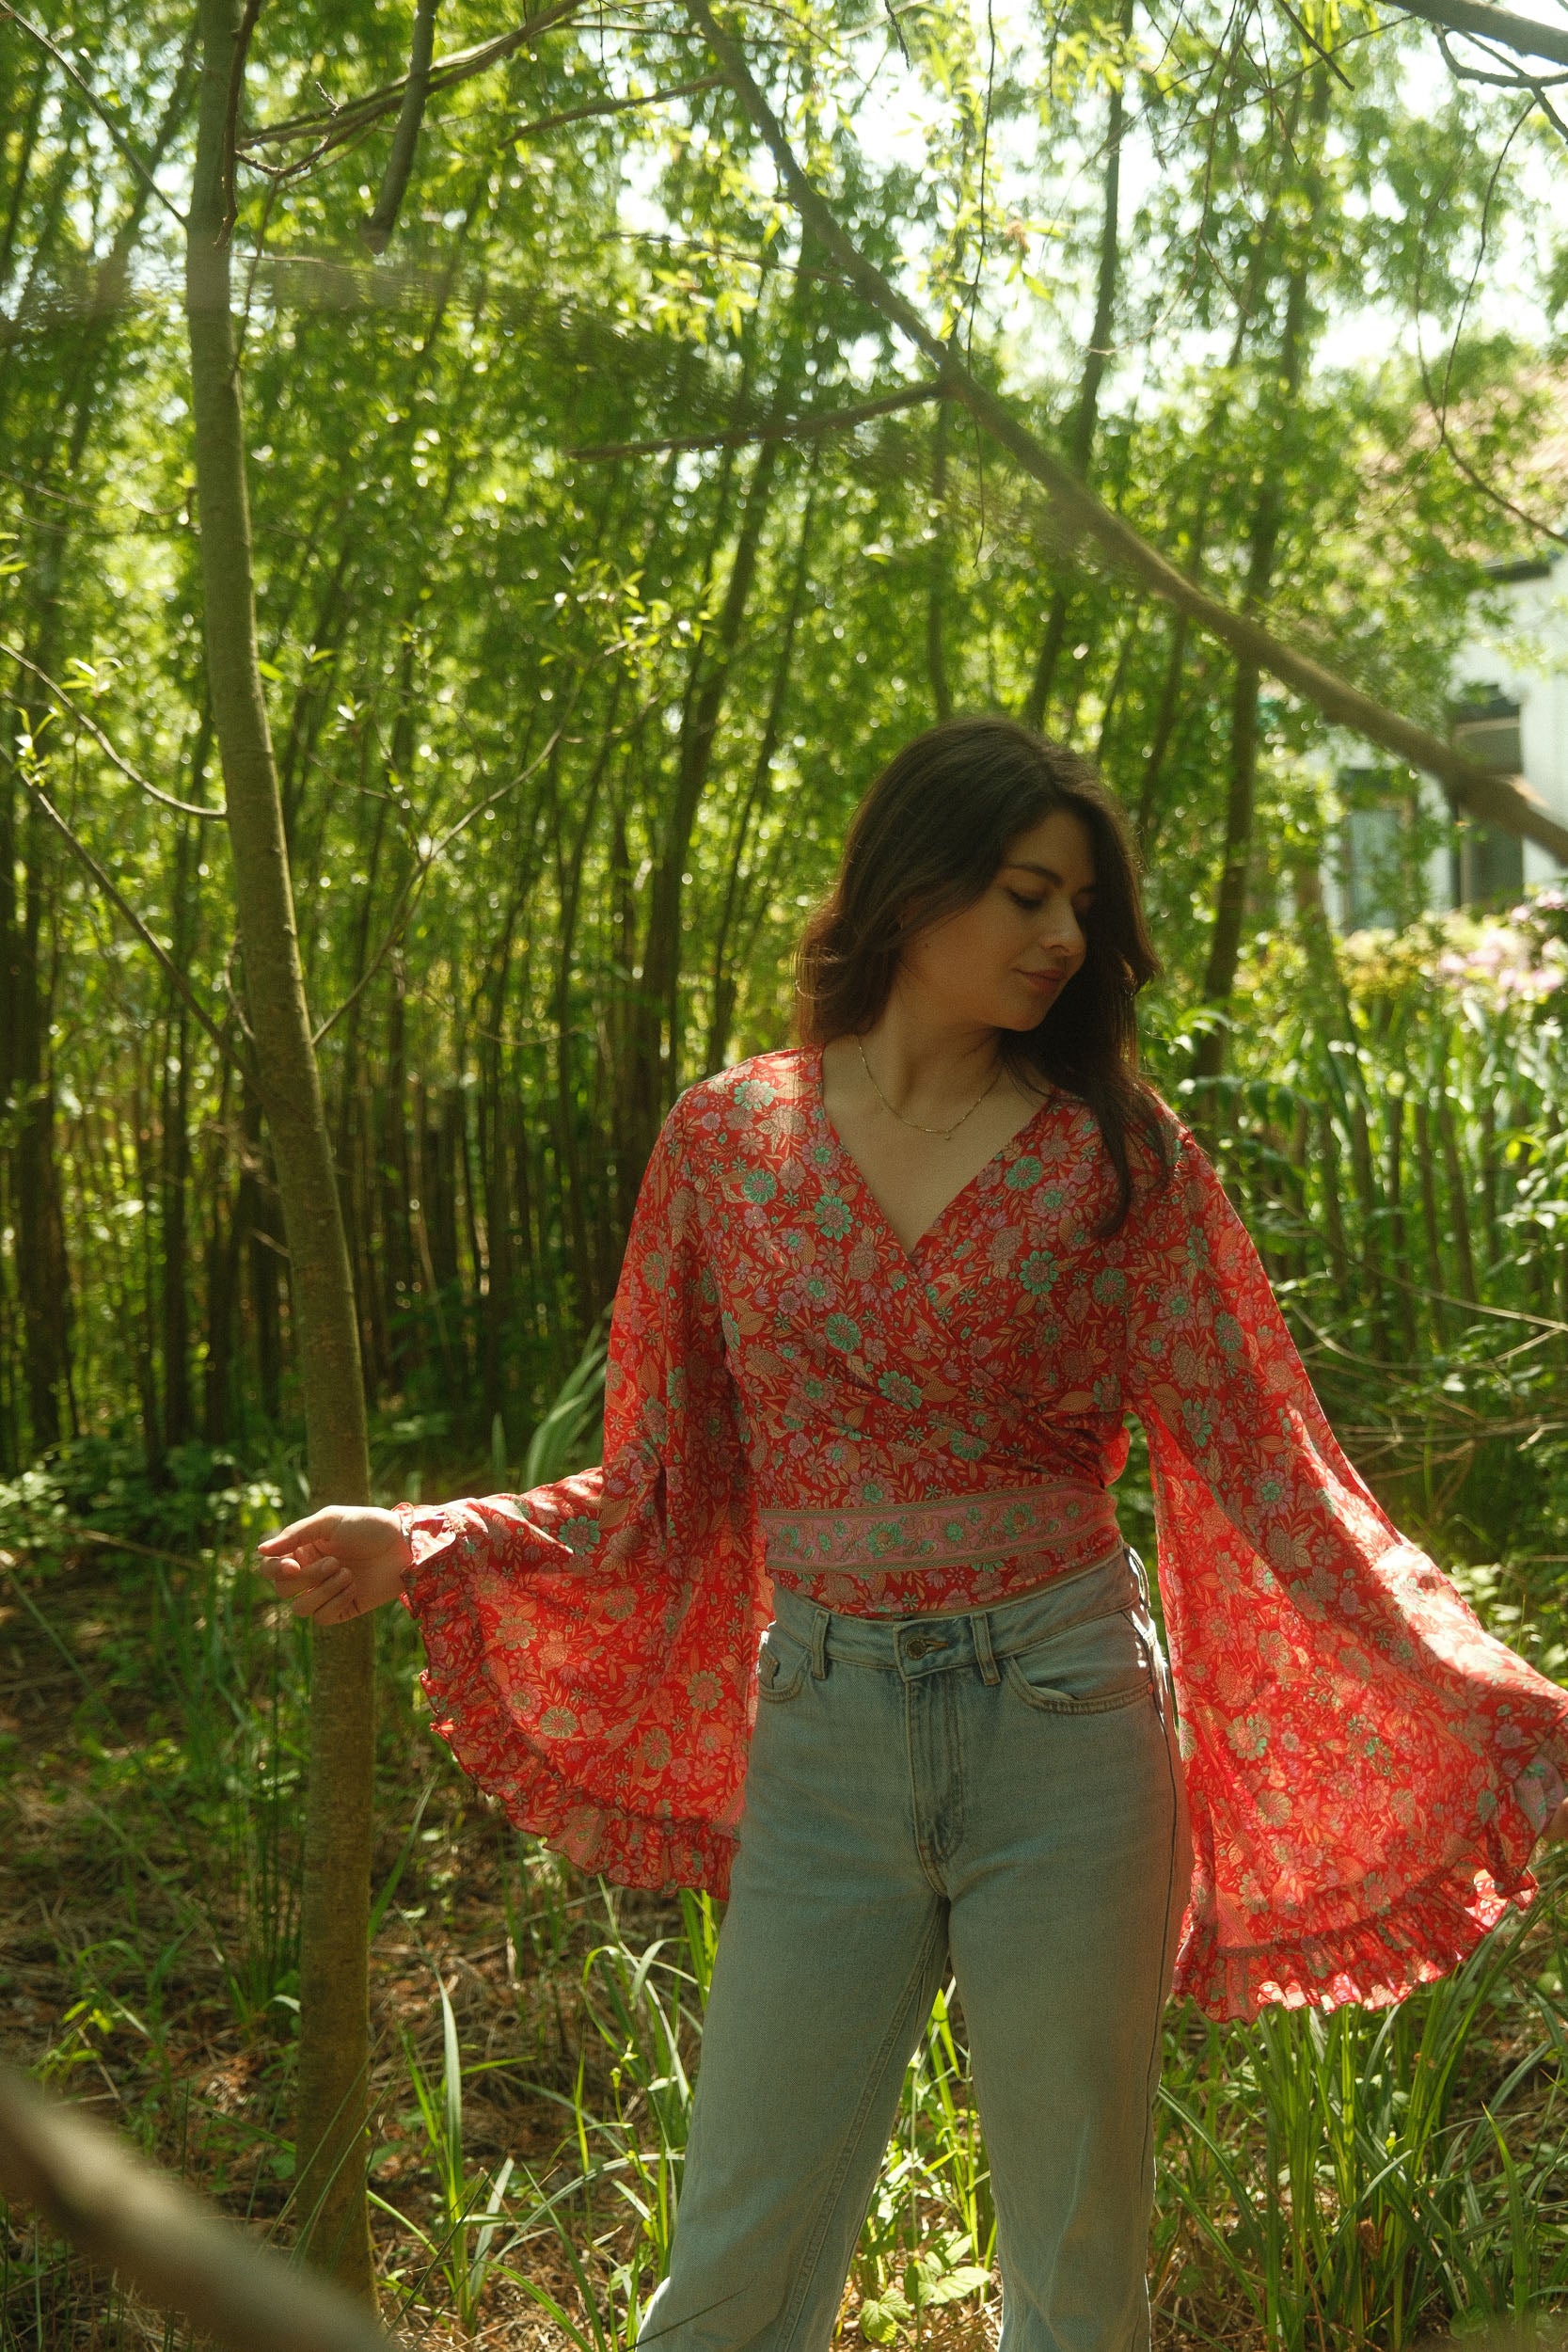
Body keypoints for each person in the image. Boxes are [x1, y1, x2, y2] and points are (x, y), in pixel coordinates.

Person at [259, 717, 1568, 2352]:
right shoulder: (728, 1145)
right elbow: (658, 1486)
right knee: (733, 2263)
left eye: (1082, 906)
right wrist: (426, 1536)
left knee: (1074, 2272)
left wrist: (1484, 1688)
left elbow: (1268, 1468)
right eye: (1027, 893)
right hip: (824, 1736)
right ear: (911, 885)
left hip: (1066, 1722)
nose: (1065, 936)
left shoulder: (1120, 1162)